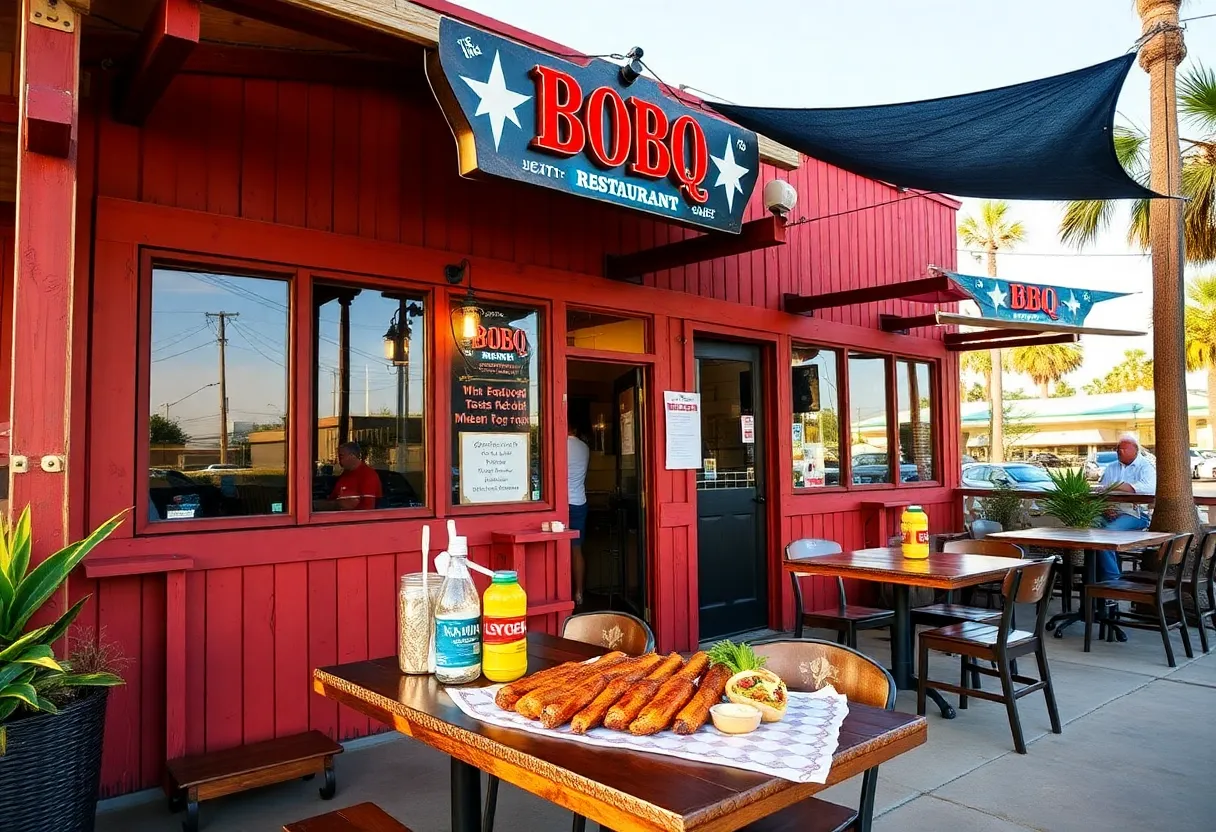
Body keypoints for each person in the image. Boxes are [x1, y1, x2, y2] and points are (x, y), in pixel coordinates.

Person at [1094, 433, 1156, 583]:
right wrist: (1106, 507)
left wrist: (1117, 486)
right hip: (1110, 511)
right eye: (1118, 448)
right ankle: (1096, 581)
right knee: (1088, 532)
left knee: (1105, 537)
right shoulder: (1111, 467)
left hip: (1136, 514)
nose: (1119, 451)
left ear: (1134, 450)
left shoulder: (1145, 466)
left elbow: (1149, 489)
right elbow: (1101, 490)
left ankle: (1112, 582)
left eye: (1123, 449)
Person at [316, 441, 382, 511]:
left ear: (352, 456)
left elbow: (367, 509)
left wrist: (337, 505)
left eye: (341, 456)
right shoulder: (345, 475)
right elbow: (332, 499)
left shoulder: (368, 475)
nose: (339, 461)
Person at [567, 421, 591, 606]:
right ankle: (579, 593)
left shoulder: (560, 445)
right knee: (577, 549)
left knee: (556, 549)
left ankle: (563, 593)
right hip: (579, 501)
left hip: (561, 504)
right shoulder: (585, 447)